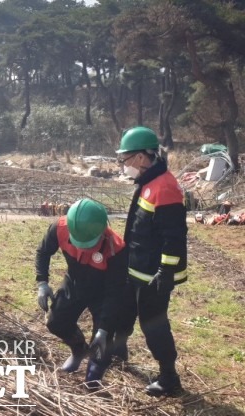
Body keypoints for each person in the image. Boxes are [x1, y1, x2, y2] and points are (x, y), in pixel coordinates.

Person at [113, 126, 187, 396]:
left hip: (154, 274)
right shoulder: (148, 183)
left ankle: (169, 377)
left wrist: (166, 271)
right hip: (137, 268)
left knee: (153, 324)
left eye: (126, 158)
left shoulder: (165, 187)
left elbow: (174, 235)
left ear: (142, 158)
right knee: (123, 312)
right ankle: (117, 353)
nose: (123, 165)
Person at [36, 199, 127, 388]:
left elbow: (115, 292)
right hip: (76, 281)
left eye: (87, 244)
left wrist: (103, 329)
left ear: (101, 232)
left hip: (103, 291)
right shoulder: (60, 227)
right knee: (56, 321)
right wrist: (42, 282)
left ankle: (94, 375)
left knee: (102, 342)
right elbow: (43, 252)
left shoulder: (115, 248)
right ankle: (78, 350)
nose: (81, 248)